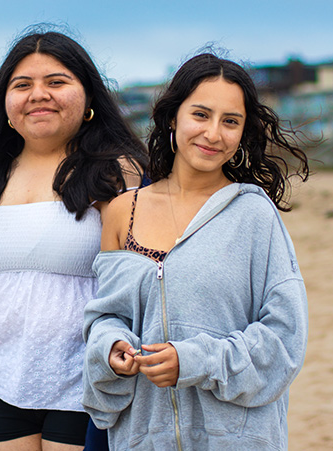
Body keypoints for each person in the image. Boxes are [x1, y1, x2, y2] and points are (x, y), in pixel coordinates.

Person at [82, 52, 311, 450]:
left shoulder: (254, 214)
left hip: (236, 438)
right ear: (173, 117)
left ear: (243, 133)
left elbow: (284, 339)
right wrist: (111, 348)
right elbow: (106, 316)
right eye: (201, 115)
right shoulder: (123, 211)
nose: (213, 134)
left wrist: (194, 361)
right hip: (144, 437)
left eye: (230, 121)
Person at [0, 29, 148, 451]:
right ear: (6, 106)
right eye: (22, 85)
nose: (39, 94)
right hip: (3, 371)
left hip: (88, 370)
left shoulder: (118, 171)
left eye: (56, 82)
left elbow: (147, 277)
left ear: (87, 97)